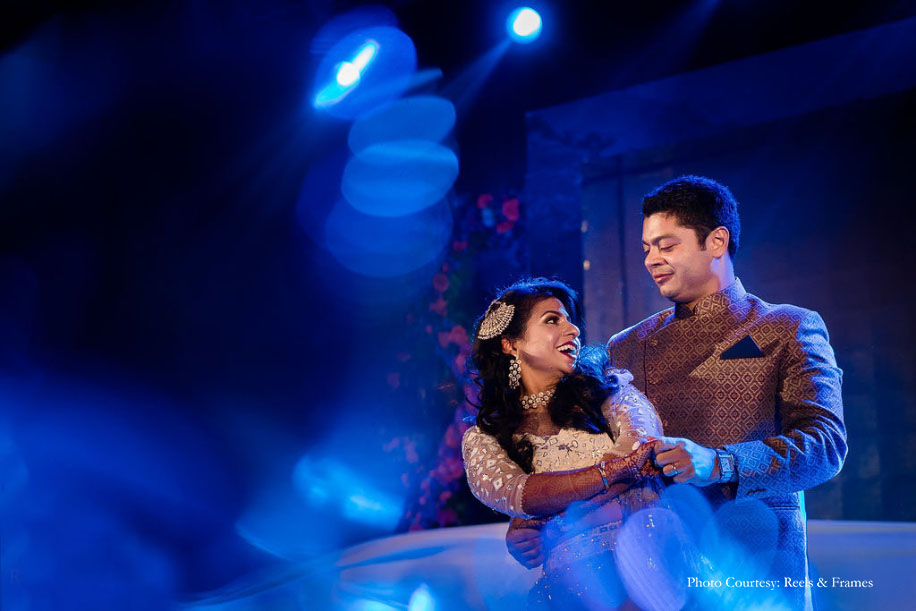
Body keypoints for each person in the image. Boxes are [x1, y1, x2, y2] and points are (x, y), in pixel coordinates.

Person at [506, 176, 847, 609]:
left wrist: (720, 463)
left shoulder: (787, 327)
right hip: (651, 575)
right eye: (646, 248)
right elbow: (594, 453)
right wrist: (539, 516)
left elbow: (825, 446)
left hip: (754, 570)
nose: (652, 260)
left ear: (717, 241)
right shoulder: (626, 346)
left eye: (666, 245)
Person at [461, 277, 664, 609]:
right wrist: (611, 479)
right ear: (511, 344)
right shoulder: (484, 437)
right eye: (552, 320)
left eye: (570, 319)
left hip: (649, 569)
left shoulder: (611, 392)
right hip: (573, 592)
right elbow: (518, 493)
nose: (573, 330)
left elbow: (639, 455)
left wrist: (548, 523)